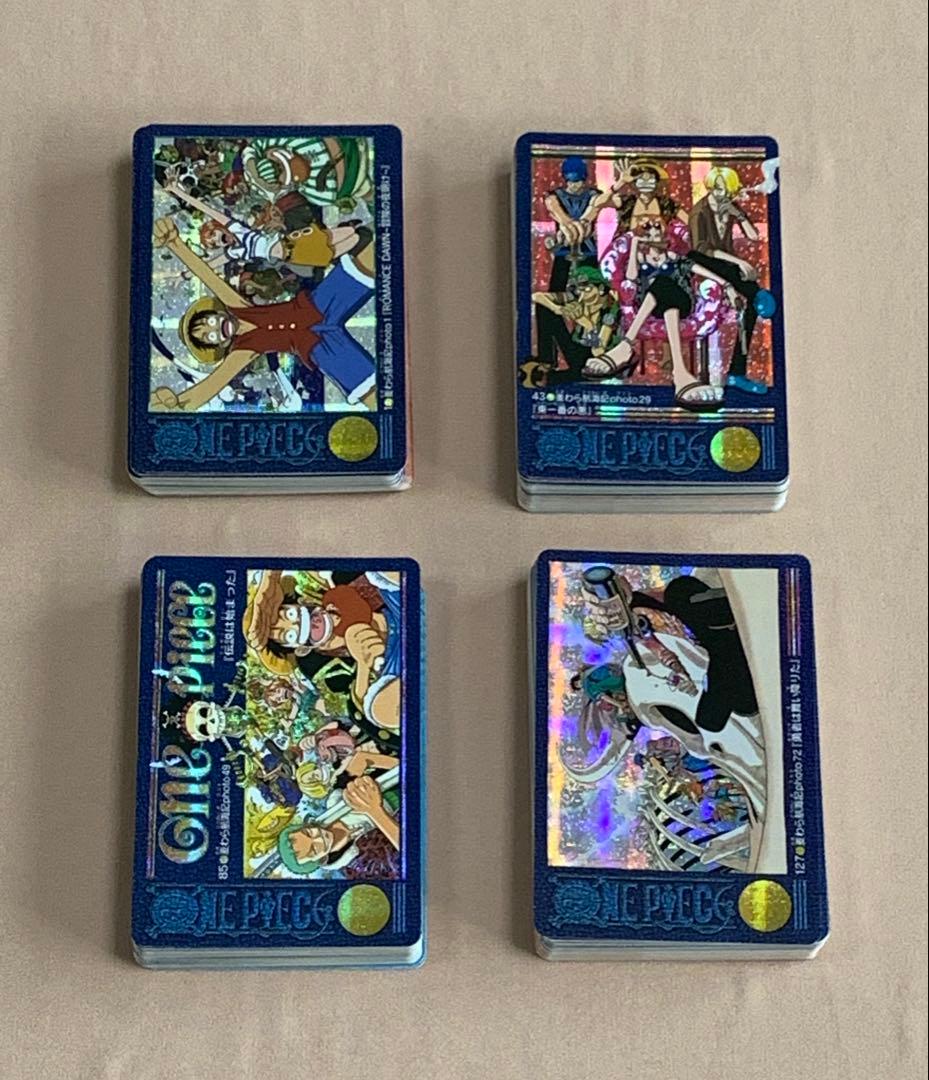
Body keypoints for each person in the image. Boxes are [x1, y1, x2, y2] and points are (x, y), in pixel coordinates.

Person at [148, 216, 376, 412]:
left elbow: (207, 276)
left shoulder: (238, 307)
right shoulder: (242, 350)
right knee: (369, 392)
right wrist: (177, 405)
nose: (215, 328)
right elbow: (210, 386)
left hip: (318, 304)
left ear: (215, 312)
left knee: (368, 260)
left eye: (208, 321)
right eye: (209, 336)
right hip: (319, 348)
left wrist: (174, 243)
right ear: (217, 345)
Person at [582, 220, 733, 410]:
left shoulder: (672, 256)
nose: (654, 238)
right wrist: (634, 245)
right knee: (661, 290)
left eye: (657, 234)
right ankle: (680, 373)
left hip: (681, 301)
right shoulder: (640, 257)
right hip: (650, 307)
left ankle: (625, 346)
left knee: (663, 283)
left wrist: (727, 285)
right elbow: (630, 278)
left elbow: (698, 269)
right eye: (649, 236)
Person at [242, 569, 401, 739]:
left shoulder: (370, 588)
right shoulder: (330, 670)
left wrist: (271, 577)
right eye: (289, 635)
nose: (297, 624)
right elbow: (369, 710)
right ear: (303, 648)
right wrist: (364, 666)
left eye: (289, 614)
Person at [688, 166, 769, 394]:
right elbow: (701, 249)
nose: (721, 194)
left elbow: (753, 236)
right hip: (702, 264)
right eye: (717, 189)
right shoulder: (699, 211)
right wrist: (739, 262)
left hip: (726, 266)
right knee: (749, 290)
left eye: (726, 190)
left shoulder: (729, 207)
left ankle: (736, 372)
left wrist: (738, 214)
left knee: (751, 308)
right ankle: (756, 293)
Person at [521, 265, 621, 387]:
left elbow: (599, 351)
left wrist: (587, 324)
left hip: (598, 361)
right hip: (577, 349)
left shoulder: (611, 311)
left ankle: (547, 378)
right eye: (580, 290)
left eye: (587, 290)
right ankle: (546, 361)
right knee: (544, 308)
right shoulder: (580, 298)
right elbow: (537, 297)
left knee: (582, 372)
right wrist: (558, 309)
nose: (582, 296)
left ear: (600, 289)